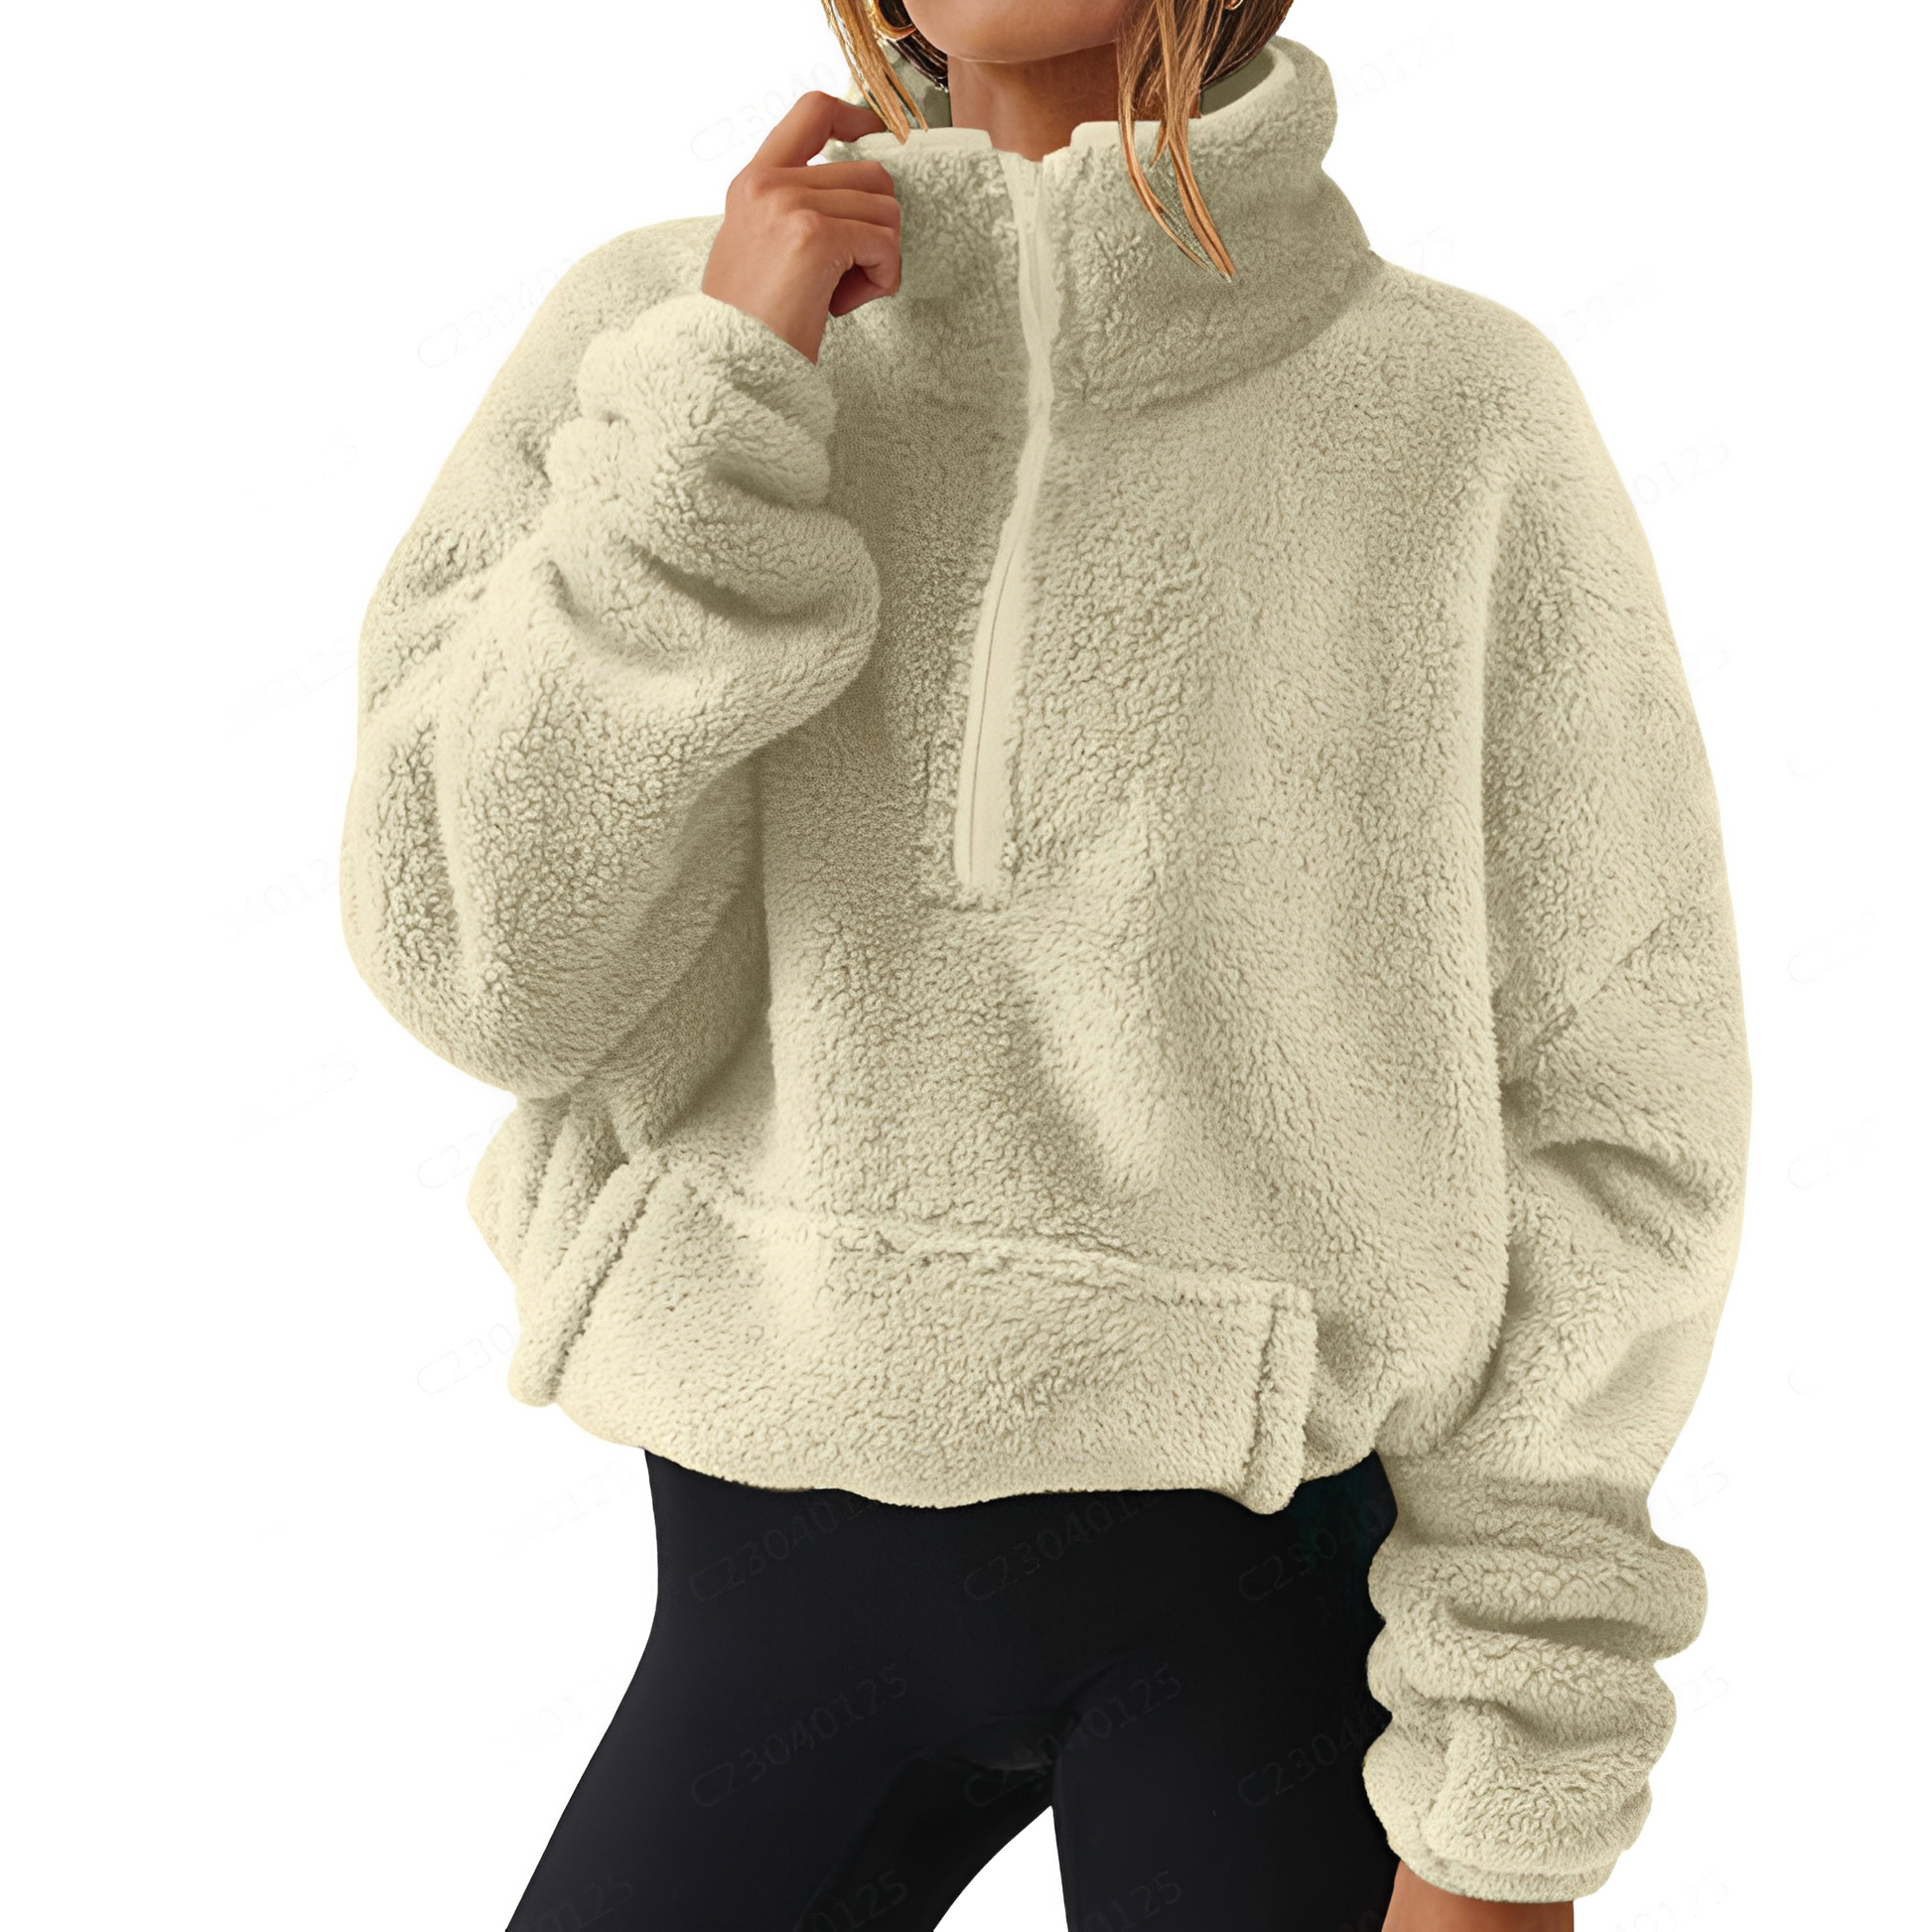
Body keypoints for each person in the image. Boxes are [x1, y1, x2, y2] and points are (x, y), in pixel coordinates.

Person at [337, 2, 1753, 1927]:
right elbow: (484, 968)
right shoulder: (663, 345)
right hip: (766, 1581)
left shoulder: (1449, 410)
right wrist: (720, 416)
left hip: (1255, 1609)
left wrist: (1513, 1783)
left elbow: (1618, 1111)